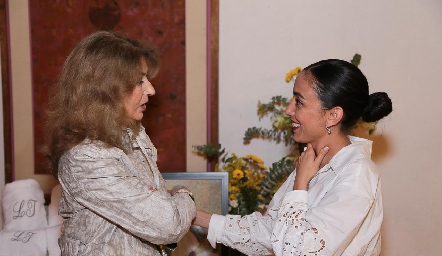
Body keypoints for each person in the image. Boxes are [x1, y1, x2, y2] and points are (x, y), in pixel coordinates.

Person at [193, 59, 392, 255]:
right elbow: (272, 232)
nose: (289, 110)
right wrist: (194, 217)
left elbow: (295, 252)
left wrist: (300, 185)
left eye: (299, 102)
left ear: (332, 115)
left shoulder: (357, 175)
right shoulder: (313, 161)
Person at [44, 30, 196, 255]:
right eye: (139, 81)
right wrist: (185, 194)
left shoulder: (130, 135)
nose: (151, 89)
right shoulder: (85, 158)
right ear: (105, 91)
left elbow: (155, 214)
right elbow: (168, 224)